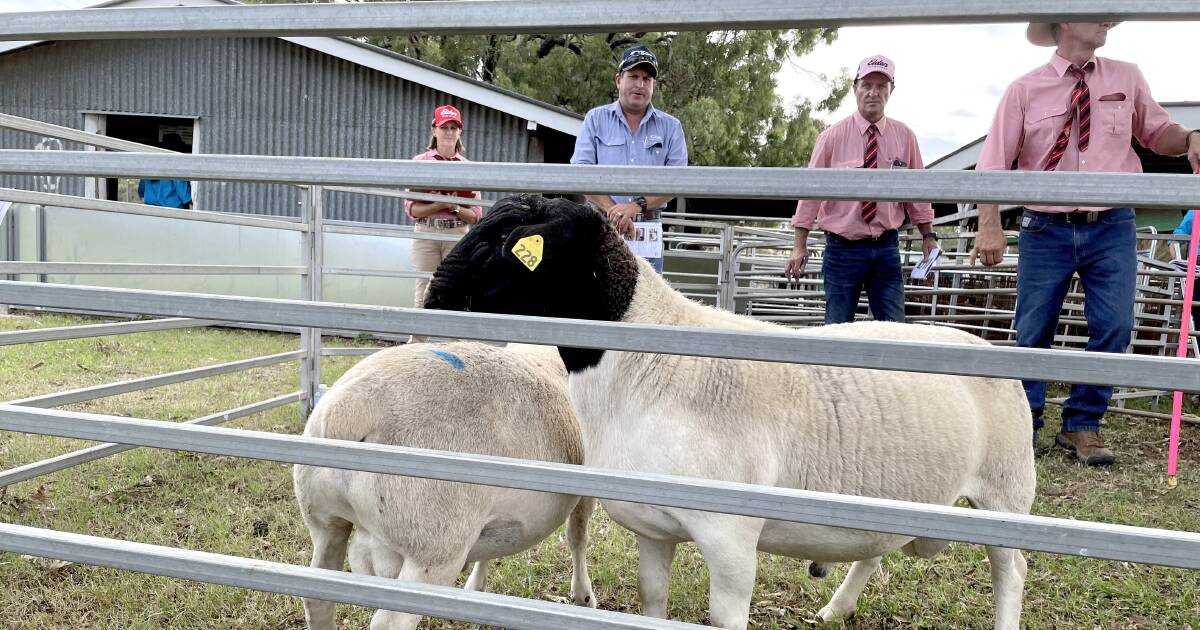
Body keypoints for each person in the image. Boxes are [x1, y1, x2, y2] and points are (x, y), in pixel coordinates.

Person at [970, 22, 1200, 465]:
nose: (1106, 20)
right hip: (1045, 226)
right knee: (1034, 329)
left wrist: (1189, 137)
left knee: (1114, 324)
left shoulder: (1126, 76)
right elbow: (993, 161)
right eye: (1095, 11)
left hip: (1112, 221)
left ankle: (1082, 423)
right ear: (1064, 22)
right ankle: (1025, 422)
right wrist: (989, 223)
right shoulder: (1024, 90)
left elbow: (1158, 132)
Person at [783, 55, 937, 324]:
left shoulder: (905, 138)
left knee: (894, 329)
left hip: (886, 247)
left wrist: (929, 236)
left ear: (891, 90)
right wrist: (799, 246)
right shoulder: (831, 137)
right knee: (837, 329)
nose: (873, 93)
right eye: (866, 85)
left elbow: (917, 192)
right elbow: (810, 193)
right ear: (854, 88)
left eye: (881, 86)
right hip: (843, 249)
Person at [570, 45, 688, 274]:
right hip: (601, 224)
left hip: (648, 228)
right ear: (618, 80)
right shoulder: (595, 119)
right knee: (594, 294)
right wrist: (614, 210)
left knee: (648, 302)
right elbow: (580, 174)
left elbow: (677, 181)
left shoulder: (671, 127)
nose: (640, 84)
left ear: (653, 85)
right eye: (633, 76)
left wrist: (635, 206)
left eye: (646, 78)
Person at [405, 104, 483, 309]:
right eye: (444, 127)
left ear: (459, 133)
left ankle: (455, 341)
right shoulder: (419, 163)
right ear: (434, 130)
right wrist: (439, 204)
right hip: (426, 230)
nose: (449, 132)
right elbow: (411, 210)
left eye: (453, 128)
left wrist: (454, 206)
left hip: (456, 233)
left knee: (456, 286)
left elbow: (476, 216)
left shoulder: (469, 168)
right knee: (423, 287)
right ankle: (417, 340)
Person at [137, 135, 192, 209]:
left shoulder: (148, 166)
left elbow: (141, 192)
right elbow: (185, 197)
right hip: (172, 213)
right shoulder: (177, 166)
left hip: (150, 211)